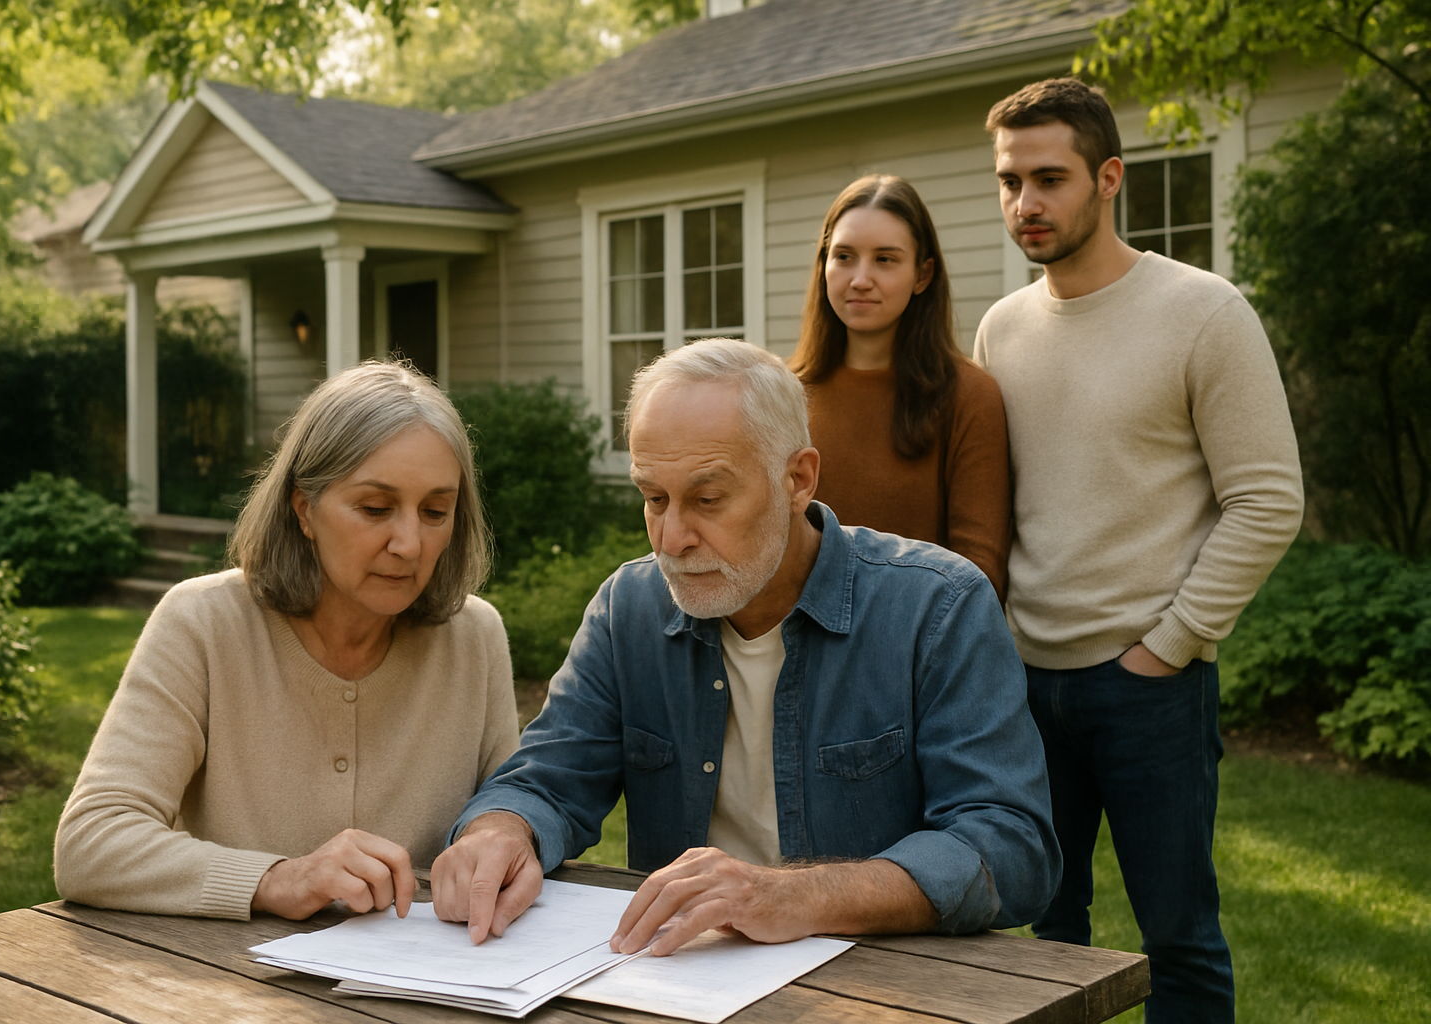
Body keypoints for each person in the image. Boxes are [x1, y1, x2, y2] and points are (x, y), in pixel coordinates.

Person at [430, 337, 1058, 957]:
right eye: (653, 498)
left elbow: (1009, 845)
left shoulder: (937, 607)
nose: (671, 537)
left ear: (798, 479)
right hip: (687, 983)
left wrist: (796, 896)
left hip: (885, 989)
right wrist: (499, 830)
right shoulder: (630, 609)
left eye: (707, 499)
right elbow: (545, 780)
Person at [974, 78, 1305, 1023]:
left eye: (1049, 179)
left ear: (1108, 177)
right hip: (1024, 683)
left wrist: (1170, 645)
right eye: (1009, 182)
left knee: (1180, 940)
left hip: (1151, 685)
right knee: (1042, 931)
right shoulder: (1003, 327)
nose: (1025, 204)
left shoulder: (1203, 312)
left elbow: (1268, 498)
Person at [55, 360, 519, 921]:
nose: (409, 543)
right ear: (304, 508)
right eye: (375, 508)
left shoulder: (475, 636)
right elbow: (91, 842)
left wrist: (500, 831)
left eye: (435, 511)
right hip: (223, 985)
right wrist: (277, 879)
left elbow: (509, 805)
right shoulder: (202, 623)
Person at [791, 174, 1011, 600]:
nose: (860, 278)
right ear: (824, 266)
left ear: (923, 274)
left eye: (885, 259)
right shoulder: (784, 394)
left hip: (919, 653)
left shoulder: (969, 396)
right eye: (844, 256)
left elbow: (978, 573)